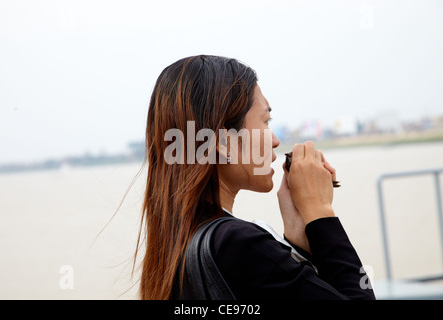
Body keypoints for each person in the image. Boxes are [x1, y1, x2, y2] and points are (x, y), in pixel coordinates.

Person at [136, 55, 375, 300]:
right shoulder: (237, 243)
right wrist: (320, 213)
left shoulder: (177, 243)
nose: (275, 140)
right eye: (265, 121)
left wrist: (298, 241)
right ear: (222, 142)